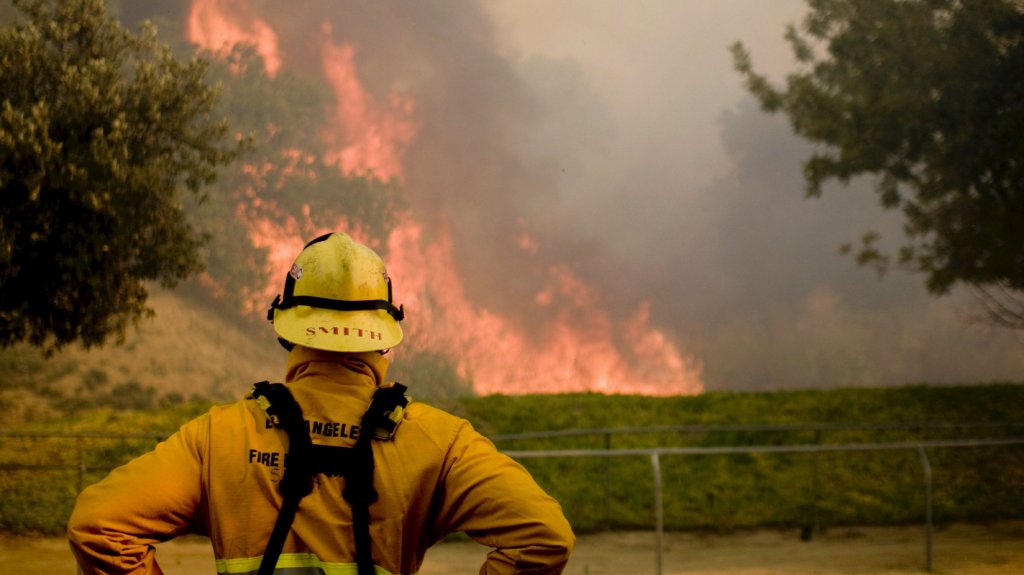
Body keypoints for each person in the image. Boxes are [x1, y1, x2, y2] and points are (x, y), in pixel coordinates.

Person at [67, 232, 575, 575]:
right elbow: (545, 536)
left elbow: (98, 526)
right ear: (384, 335)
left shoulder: (217, 436)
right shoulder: (442, 444)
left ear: (288, 330)